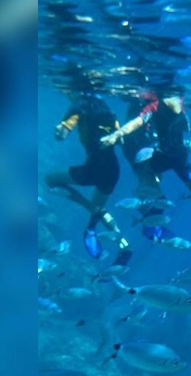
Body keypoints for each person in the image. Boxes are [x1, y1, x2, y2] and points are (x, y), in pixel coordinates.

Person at [102, 88, 191, 239]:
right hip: (180, 153)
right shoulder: (179, 102)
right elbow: (187, 126)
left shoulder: (154, 105)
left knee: (147, 172)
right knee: (187, 175)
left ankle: (158, 205)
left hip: (160, 152)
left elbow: (137, 123)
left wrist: (116, 135)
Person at [45, 92, 132, 264]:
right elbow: (120, 140)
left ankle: (89, 208)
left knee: (50, 180)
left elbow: (64, 129)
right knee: (96, 214)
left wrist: (61, 130)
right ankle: (123, 244)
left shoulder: (79, 105)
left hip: (93, 168)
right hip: (112, 170)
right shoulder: (109, 112)